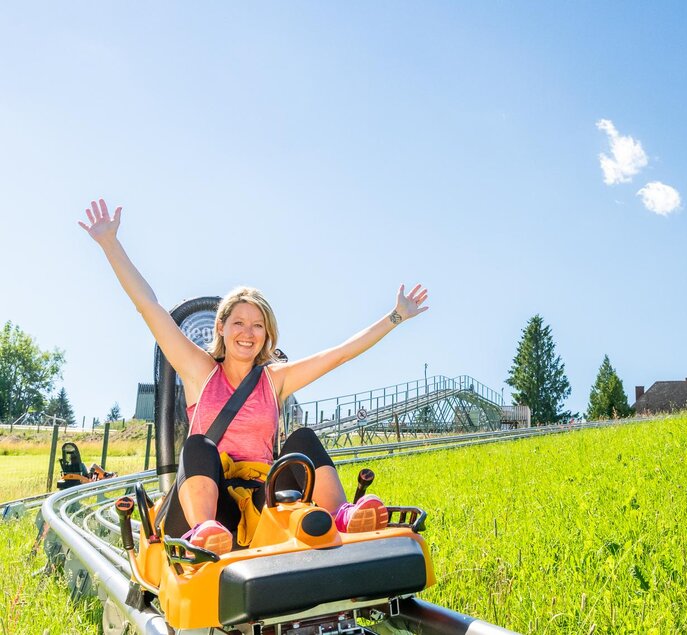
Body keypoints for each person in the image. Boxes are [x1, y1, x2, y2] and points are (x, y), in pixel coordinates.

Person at [80, 198, 429, 556]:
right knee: (199, 445)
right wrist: (110, 243)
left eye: (257, 325)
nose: (248, 333)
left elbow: (339, 354)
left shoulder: (274, 380)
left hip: (261, 503)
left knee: (304, 439)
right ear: (221, 327)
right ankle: (203, 533)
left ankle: (344, 516)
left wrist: (396, 317)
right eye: (239, 323)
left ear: (267, 334)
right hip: (211, 503)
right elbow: (149, 307)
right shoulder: (200, 371)